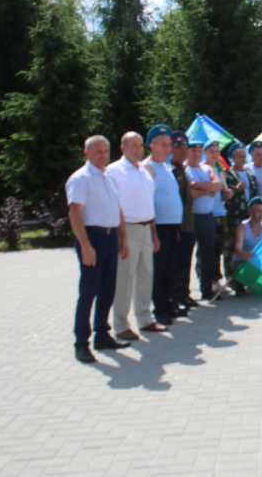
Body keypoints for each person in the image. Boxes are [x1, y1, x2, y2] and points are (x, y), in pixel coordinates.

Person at [66, 135, 131, 363]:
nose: (103, 155)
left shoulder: (108, 177)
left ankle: (102, 334)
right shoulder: (81, 178)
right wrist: (85, 245)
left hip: (111, 237)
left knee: (107, 290)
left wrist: (123, 238)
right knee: (88, 292)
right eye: (97, 152)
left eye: (105, 151)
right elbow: (75, 212)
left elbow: (117, 209)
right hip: (92, 238)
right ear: (87, 153)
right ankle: (81, 343)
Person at [106, 132, 165, 334]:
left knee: (146, 274)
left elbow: (149, 205)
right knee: (125, 277)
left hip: (146, 228)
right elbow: (115, 206)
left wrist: (154, 234)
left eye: (140, 145)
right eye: (133, 145)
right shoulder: (114, 171)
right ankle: (121, 324)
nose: (138, 149)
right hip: (128, 229)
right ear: (123, 148)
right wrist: (121, 237)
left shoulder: (144, 170)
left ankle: (144, 318)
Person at [143, 125, 186, 336]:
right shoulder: (147, 168)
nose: (168, 148)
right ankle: (159, 310)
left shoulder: (167, 167)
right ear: (151, 145)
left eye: (169, 144)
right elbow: (148, 200)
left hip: (171, 226)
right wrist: (152, 232)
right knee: (159, 270)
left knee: (170, 268)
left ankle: (168, 304)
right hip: (158, 226)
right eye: (163, 144)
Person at [185, 139, 222, 301]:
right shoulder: (185, 170)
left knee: (208, 255)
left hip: (207, 217)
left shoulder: (206, 168)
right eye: (193, 151)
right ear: (187, 152)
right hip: (191, 218)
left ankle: (206, 290)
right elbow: (189, 194)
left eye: (199, 151)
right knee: (186, 256)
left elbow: (218, 185)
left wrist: (197, 185)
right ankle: (184, 293)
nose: (196, 154)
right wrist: (207, 189)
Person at [223, 142, 258, 294]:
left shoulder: (250, 174)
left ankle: (248, 278)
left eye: (244, 156)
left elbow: (255, 194)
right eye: (239, 156)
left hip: (248, 217)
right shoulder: (227, 174)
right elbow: (224, 196)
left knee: (247, 247)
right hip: (233, 217)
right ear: (232, 158)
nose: (242, 159)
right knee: (231, 248)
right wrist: (236, 190)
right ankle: (233, 280)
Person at [170, 131, 198, 310]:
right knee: (176, 265)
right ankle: (175, 297)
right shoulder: (171, 171)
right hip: (179, 227)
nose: (183, 152)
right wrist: (178, 229)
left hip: (188, 224)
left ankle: (184, 294)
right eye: (179, 149)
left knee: (186, 262)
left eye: (185, 149)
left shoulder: (182, 170)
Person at [204, 139, 231, 294]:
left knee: (219, 247)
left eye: (217, 151)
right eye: (211, 151)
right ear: (205, 153)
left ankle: (216, 279)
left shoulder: (221, 170)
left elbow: (223, 193)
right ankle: (207, 280)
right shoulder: (203, 169)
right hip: (208, 213)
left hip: (221, 212)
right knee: (207, 250)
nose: (215, 154)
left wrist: (228, 193)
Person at [231, 196, 262, 291]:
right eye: (258, 211)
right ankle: (240, 284)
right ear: (250, 211)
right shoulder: (242, 227)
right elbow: (237, 249)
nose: (261, 214)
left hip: (260, 260)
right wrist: (244, 255)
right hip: (244, 261)